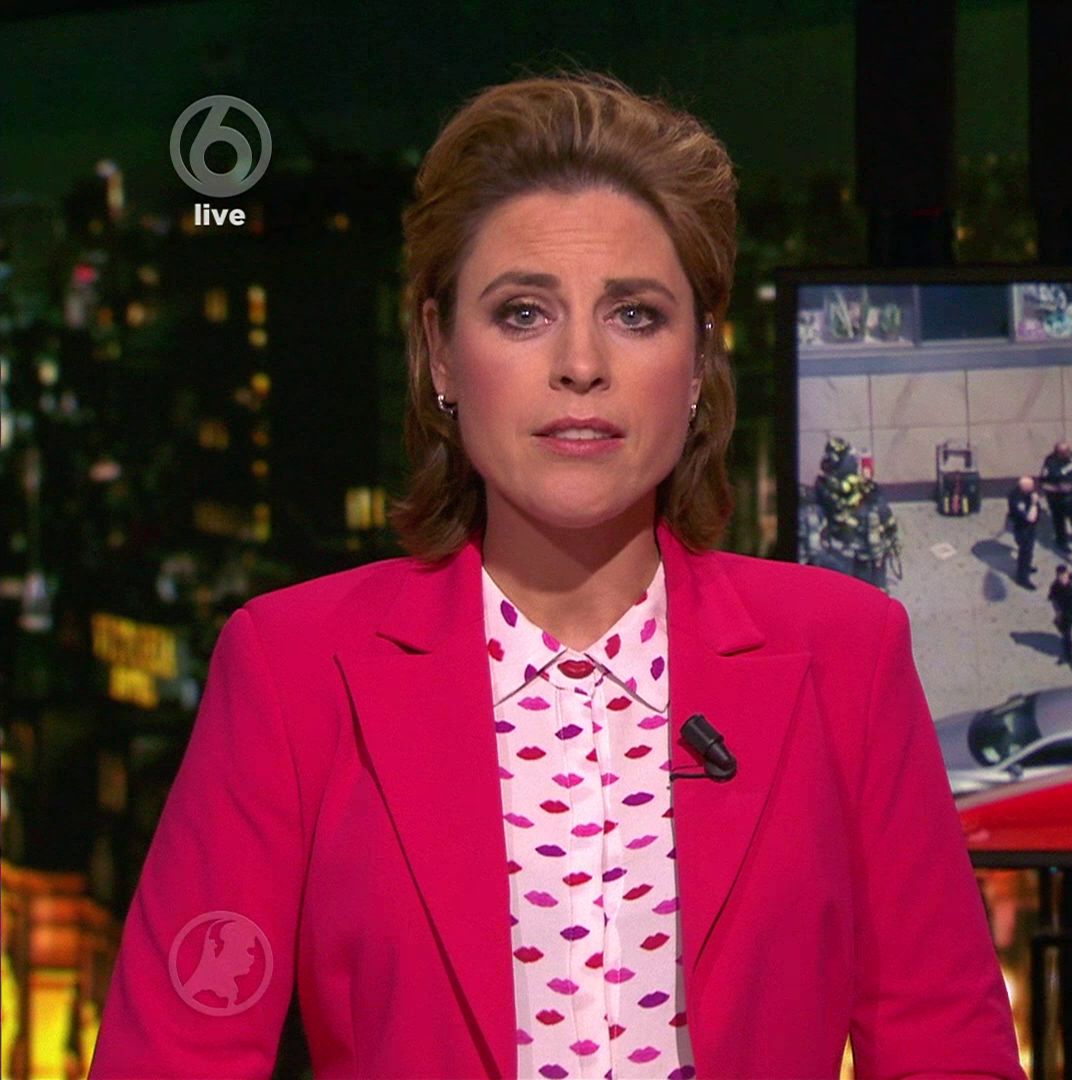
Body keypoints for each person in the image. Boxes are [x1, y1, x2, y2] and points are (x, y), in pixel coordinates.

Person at [88, 72, 1021, 1080]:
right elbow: (175, 1054)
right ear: (441, 353)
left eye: (636, 315)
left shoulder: (846, 654)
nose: (581, 364)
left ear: (700, 360)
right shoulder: (292, 669)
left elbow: (945, 1048)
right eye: (524, 312)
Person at [1039, 440, 1072, 550]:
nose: (1068, 453)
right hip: (1057, 498)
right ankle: (1061, 542)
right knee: (1059, 521)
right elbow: (1043, 484)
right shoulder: (1050, 463)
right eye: (1065, 452)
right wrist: (1058, 489)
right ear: (1058, 453)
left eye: (1068, 450)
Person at [1005, 475, 1041, 588]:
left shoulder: (1029, 493)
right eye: (1031, 486)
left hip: (1030, 528)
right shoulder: (1016, 499)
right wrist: (1034, 503)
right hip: (1022, 528)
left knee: (1029, 551)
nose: (1033, 488)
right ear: (1024, 487)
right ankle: (1022, 578)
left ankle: (1027, 566)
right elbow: (1030, 518)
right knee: (1025, 552)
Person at [1047, 564, 1072, 663]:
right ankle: (1068, 654)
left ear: (1067, 574)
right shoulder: (1055, 586)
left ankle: (1070, 653)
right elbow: (1053, 600)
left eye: (1064, 576)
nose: (1062, 578)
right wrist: (1058, 613)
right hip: (1064, 614)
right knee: (1066, 633)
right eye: (1060, 576)